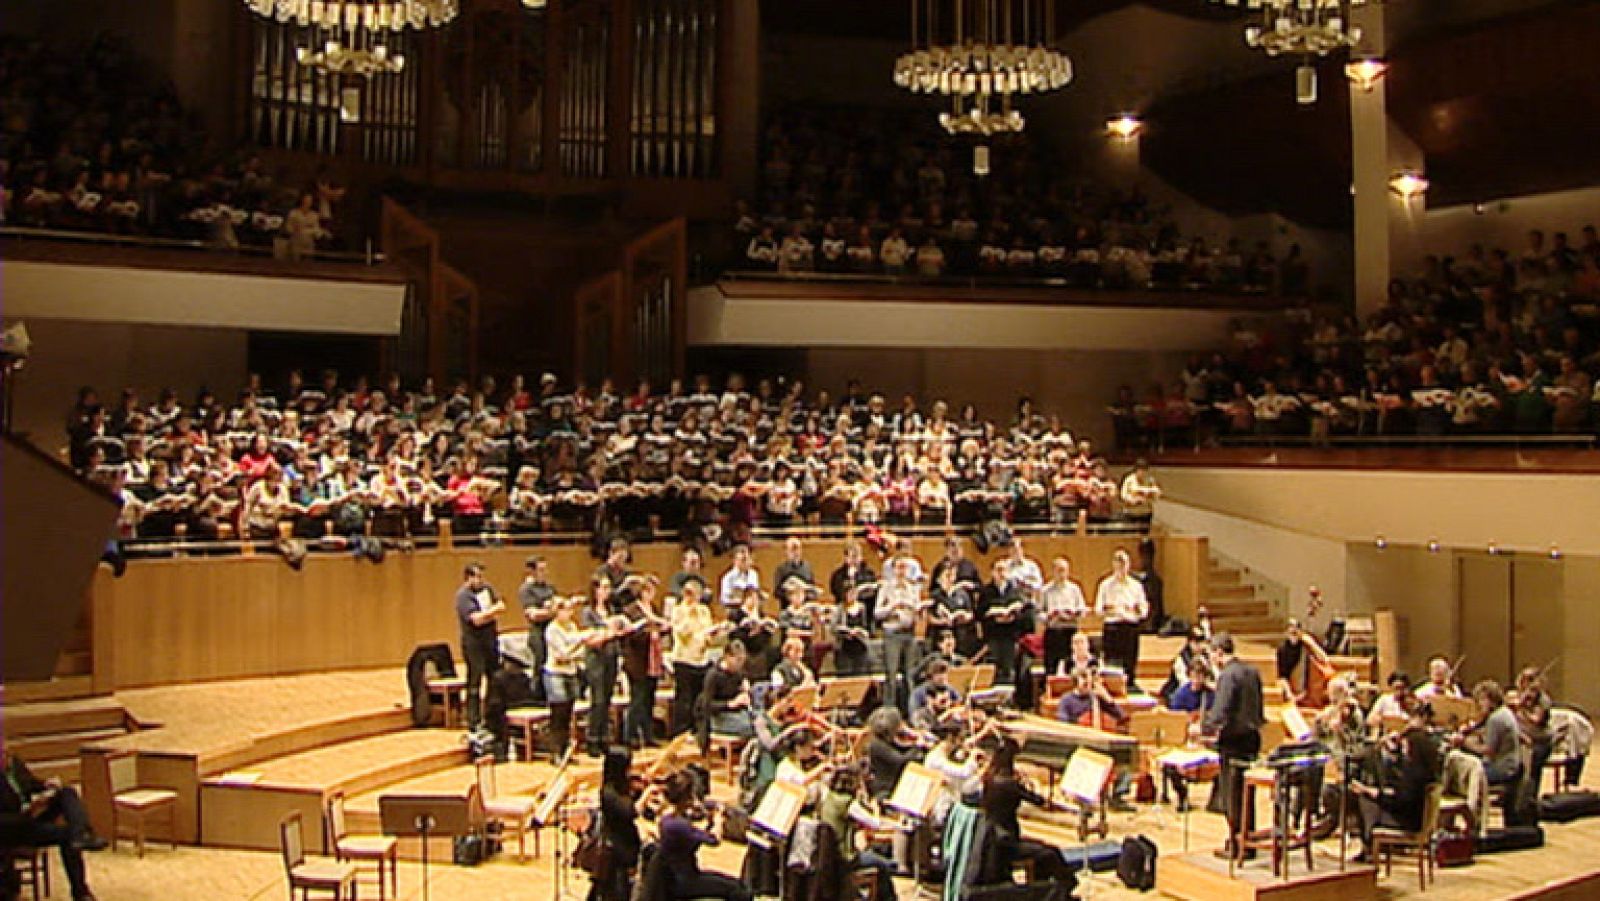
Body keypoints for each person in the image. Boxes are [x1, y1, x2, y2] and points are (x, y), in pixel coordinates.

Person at [1, 742, 103, 901]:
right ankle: (81, 892)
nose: (7, 758)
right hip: (15, 830)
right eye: (3, 755)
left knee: (67, 792)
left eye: (7, 753)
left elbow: (31, 784)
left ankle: (81, 833)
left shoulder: (14, 765)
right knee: (66, 836)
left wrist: (45, 785)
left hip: (31, 815)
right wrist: (26, 813)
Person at [1203, 633, 1265, 860]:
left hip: (1233, 742)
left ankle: (1237, 846)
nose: (1211, 660)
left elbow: (1220, 712)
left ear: (1219, 652)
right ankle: (1248, 842)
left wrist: (1204, 728)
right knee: (1248, 794)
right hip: (1252, 738)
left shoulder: (1228, 676)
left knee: (1233, 796)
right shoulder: (1253, 671)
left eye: (1211, 654)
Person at [977, 738, 1069, 883]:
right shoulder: (1010, 784)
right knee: (1051, 853)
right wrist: (1026, 785)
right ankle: (1064, 890)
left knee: (1043, 848)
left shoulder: (989, 779)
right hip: (1007, 843)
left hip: (992, 839)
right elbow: (1039, 801)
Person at [1351, 721, 1440, 864]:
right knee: (1369, 800)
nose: (1403, 749)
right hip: (1414, 818)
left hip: (1408, 823)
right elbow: (1402, 793)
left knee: (1365, 801)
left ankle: (1368, 846)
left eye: (1405, 746)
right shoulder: (1424, 770)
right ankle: (1368, 845)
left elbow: (1401, 802)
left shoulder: (1415, 773)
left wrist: (1376, 794)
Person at [656, 770, 751, 901]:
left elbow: (697, 835)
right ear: (687, 796)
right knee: (737, 890)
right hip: (685, 881)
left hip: (678, 877)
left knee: (736, 884)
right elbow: (714, 840)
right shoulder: (678, 825)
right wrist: (718, 820)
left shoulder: (667, 818)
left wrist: (708, 818)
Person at [1456, 680, 1523, 825]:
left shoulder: (1496, 719)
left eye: (1481, 700)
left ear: (1489, 699)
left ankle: (1473, 819)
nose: (1479, 705)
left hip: (1502, 768)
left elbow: (1488, 751)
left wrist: (1464, 742)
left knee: (1464, 777)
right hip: (1511, 764)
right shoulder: (1504, 712)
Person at [590, 749, 650, 901]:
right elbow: (630, 811)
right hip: (616, 849)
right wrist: (647, 794)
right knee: (616, 892)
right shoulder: (608, 793)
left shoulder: (621, 786)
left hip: (625, 842)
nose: (630, 771)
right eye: (627, 767)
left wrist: (640, 790)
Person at [455, 562, 504, 732]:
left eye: (482, 576)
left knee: (494, 678)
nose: (481, 580)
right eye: (478, 576)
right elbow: (476, 619)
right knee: (475, 680)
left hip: (490, 640)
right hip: (473, 643)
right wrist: (492, 612)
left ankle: (491, 715)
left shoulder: (488, 589)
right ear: (468, 578)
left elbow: (502, 606)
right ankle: (473, 720)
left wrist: (488, 614)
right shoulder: (463, 596)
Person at [582, 575, 625, 756]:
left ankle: (604, 738)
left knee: (607, 699)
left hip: (611, 657)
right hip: (596, 659)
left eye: (609, 587)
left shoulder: (611, 609)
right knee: (597, 700)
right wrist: (610, 633)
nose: (608, 591)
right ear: (596, 590)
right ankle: (592, 739)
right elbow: (591, 639)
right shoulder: (588, 613)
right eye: (604, 587)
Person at [670, 580, 718, 737]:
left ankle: (696, 729)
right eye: (691, 594)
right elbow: (682, 633)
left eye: (697, 594)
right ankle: (681, 731)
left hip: (701, 659)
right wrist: (689, 614)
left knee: (698, 696)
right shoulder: (678, 611)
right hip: (684, 659)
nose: (694, 598)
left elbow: (706, 631)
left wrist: (712, 635)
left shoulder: (704, 611)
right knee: (684, 698)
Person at [876, 555, 922, 712]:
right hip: (892, 634)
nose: (902, 571)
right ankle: (889, 711)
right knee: (892, 674)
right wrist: (892, 607)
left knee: (910, 675)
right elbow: (877, 613)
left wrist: (916, 611)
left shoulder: (912, 588)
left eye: (905, 567)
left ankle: (910, 711)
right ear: (893, 569)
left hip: (909, 633)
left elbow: (917, 608)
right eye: (899, 567)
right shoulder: (886, 588)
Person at [1095, 549, 1149, 683]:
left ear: (1128, 565)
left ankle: (1129, 684)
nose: (1121, 567)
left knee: (1130, 661)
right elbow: (1098, 609)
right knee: (1112, 661)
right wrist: (1112, 609)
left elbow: (1144, 609)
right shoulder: (1105, 585)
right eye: (1118, 564)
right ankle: (1112, 685)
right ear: (1113, 565)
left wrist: (1133, 610)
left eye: (1124, 564)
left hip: (1130, 627)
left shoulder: (1136, 586)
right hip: (1112, 627)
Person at [543, 597, 588, 755]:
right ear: (558, 611)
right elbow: (561, 654)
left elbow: (580, 652)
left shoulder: (572, 626)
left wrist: (574, 651)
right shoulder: (552, 630)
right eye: (566, 609)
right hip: (555, 674)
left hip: (570, 672)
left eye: (571, 610)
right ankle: (555, 751)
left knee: (568, 713)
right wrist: (577, 648)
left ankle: (565, 751)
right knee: (558, 714)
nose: (570, 613)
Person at [1038, 556, 1087, 676]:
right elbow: (1039, 613)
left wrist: (1074, 613)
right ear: (1053, 571)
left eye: (1064, 570)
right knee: (1051, 666)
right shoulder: (1045, 590)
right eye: (1059, 570)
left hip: (1070, 630)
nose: (1062, 574)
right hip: (1053, 631)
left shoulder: (1075, 589)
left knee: (1071, 665)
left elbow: (1082, 609)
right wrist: (1049, 616)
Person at [518, 555, 557, 704]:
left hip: (552, 631)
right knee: (539, 666)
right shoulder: (526, 590)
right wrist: (551, 611)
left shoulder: (550, 587)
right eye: (541, 570)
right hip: (538, 633)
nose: (545, 572)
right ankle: (536, 700)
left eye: (545, 569)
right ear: (532, 572)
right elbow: (533, 614)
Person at [704, 641, 755, 739]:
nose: (740, 664)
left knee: (763, 721)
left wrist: (747, 692)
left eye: (742, 661)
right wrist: (730, 704)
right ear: (727, 657)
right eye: (738, 660)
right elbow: (707, 705)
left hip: (738, 714)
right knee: (751, 727)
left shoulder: (739, 674)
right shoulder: (713, 675)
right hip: (720, 717)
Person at [718, 544, 761, 610]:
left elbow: (753, 592)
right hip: (734, 609)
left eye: (748, 559)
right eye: (743, 560)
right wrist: (740, 601)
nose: (747, 562)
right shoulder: (727, 578)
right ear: (734, 560)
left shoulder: (753, 573)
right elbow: (724, 600)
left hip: (752, 607)